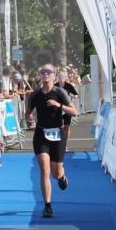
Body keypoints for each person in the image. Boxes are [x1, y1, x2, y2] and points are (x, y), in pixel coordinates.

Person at [26, 63, 77, 218]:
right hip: (41, 134)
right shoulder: (34, 95)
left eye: (49, 72)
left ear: (54, 75)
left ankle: (61, 176)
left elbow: (74, 112)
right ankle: (47, 206)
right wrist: (29, 117)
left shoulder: (60, 92)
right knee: (45, 171)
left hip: (58, 134)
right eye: (43, 71)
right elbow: (27, 112)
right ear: (40, 75)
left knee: (55, 172)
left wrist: (59, 105)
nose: (46, 74)